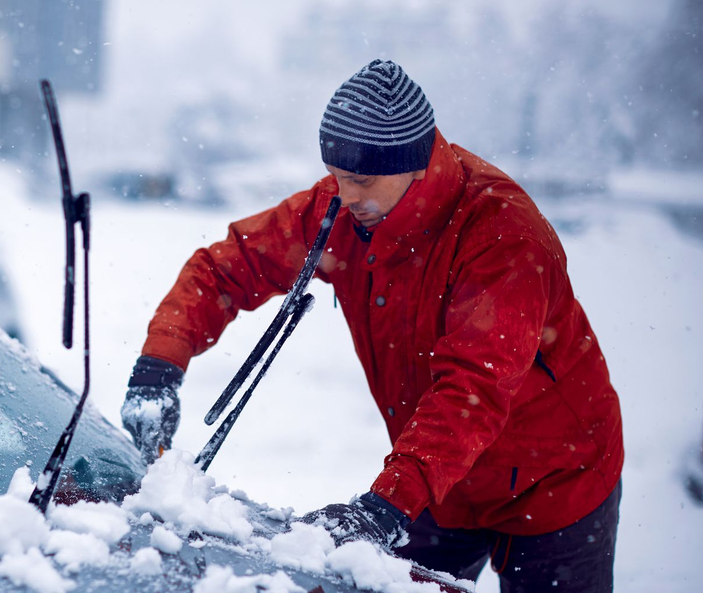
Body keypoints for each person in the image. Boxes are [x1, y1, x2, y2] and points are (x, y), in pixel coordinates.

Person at [121, 60, 624, 592]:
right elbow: (228, 266)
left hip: (553, 485)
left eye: (360, 179)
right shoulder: (342, 209)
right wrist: (160, 363)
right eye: (336, 177)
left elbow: (472, 389)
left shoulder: (501, 237)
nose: (345, 195)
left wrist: (387, 505)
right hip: (437, 483)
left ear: (414, 164)